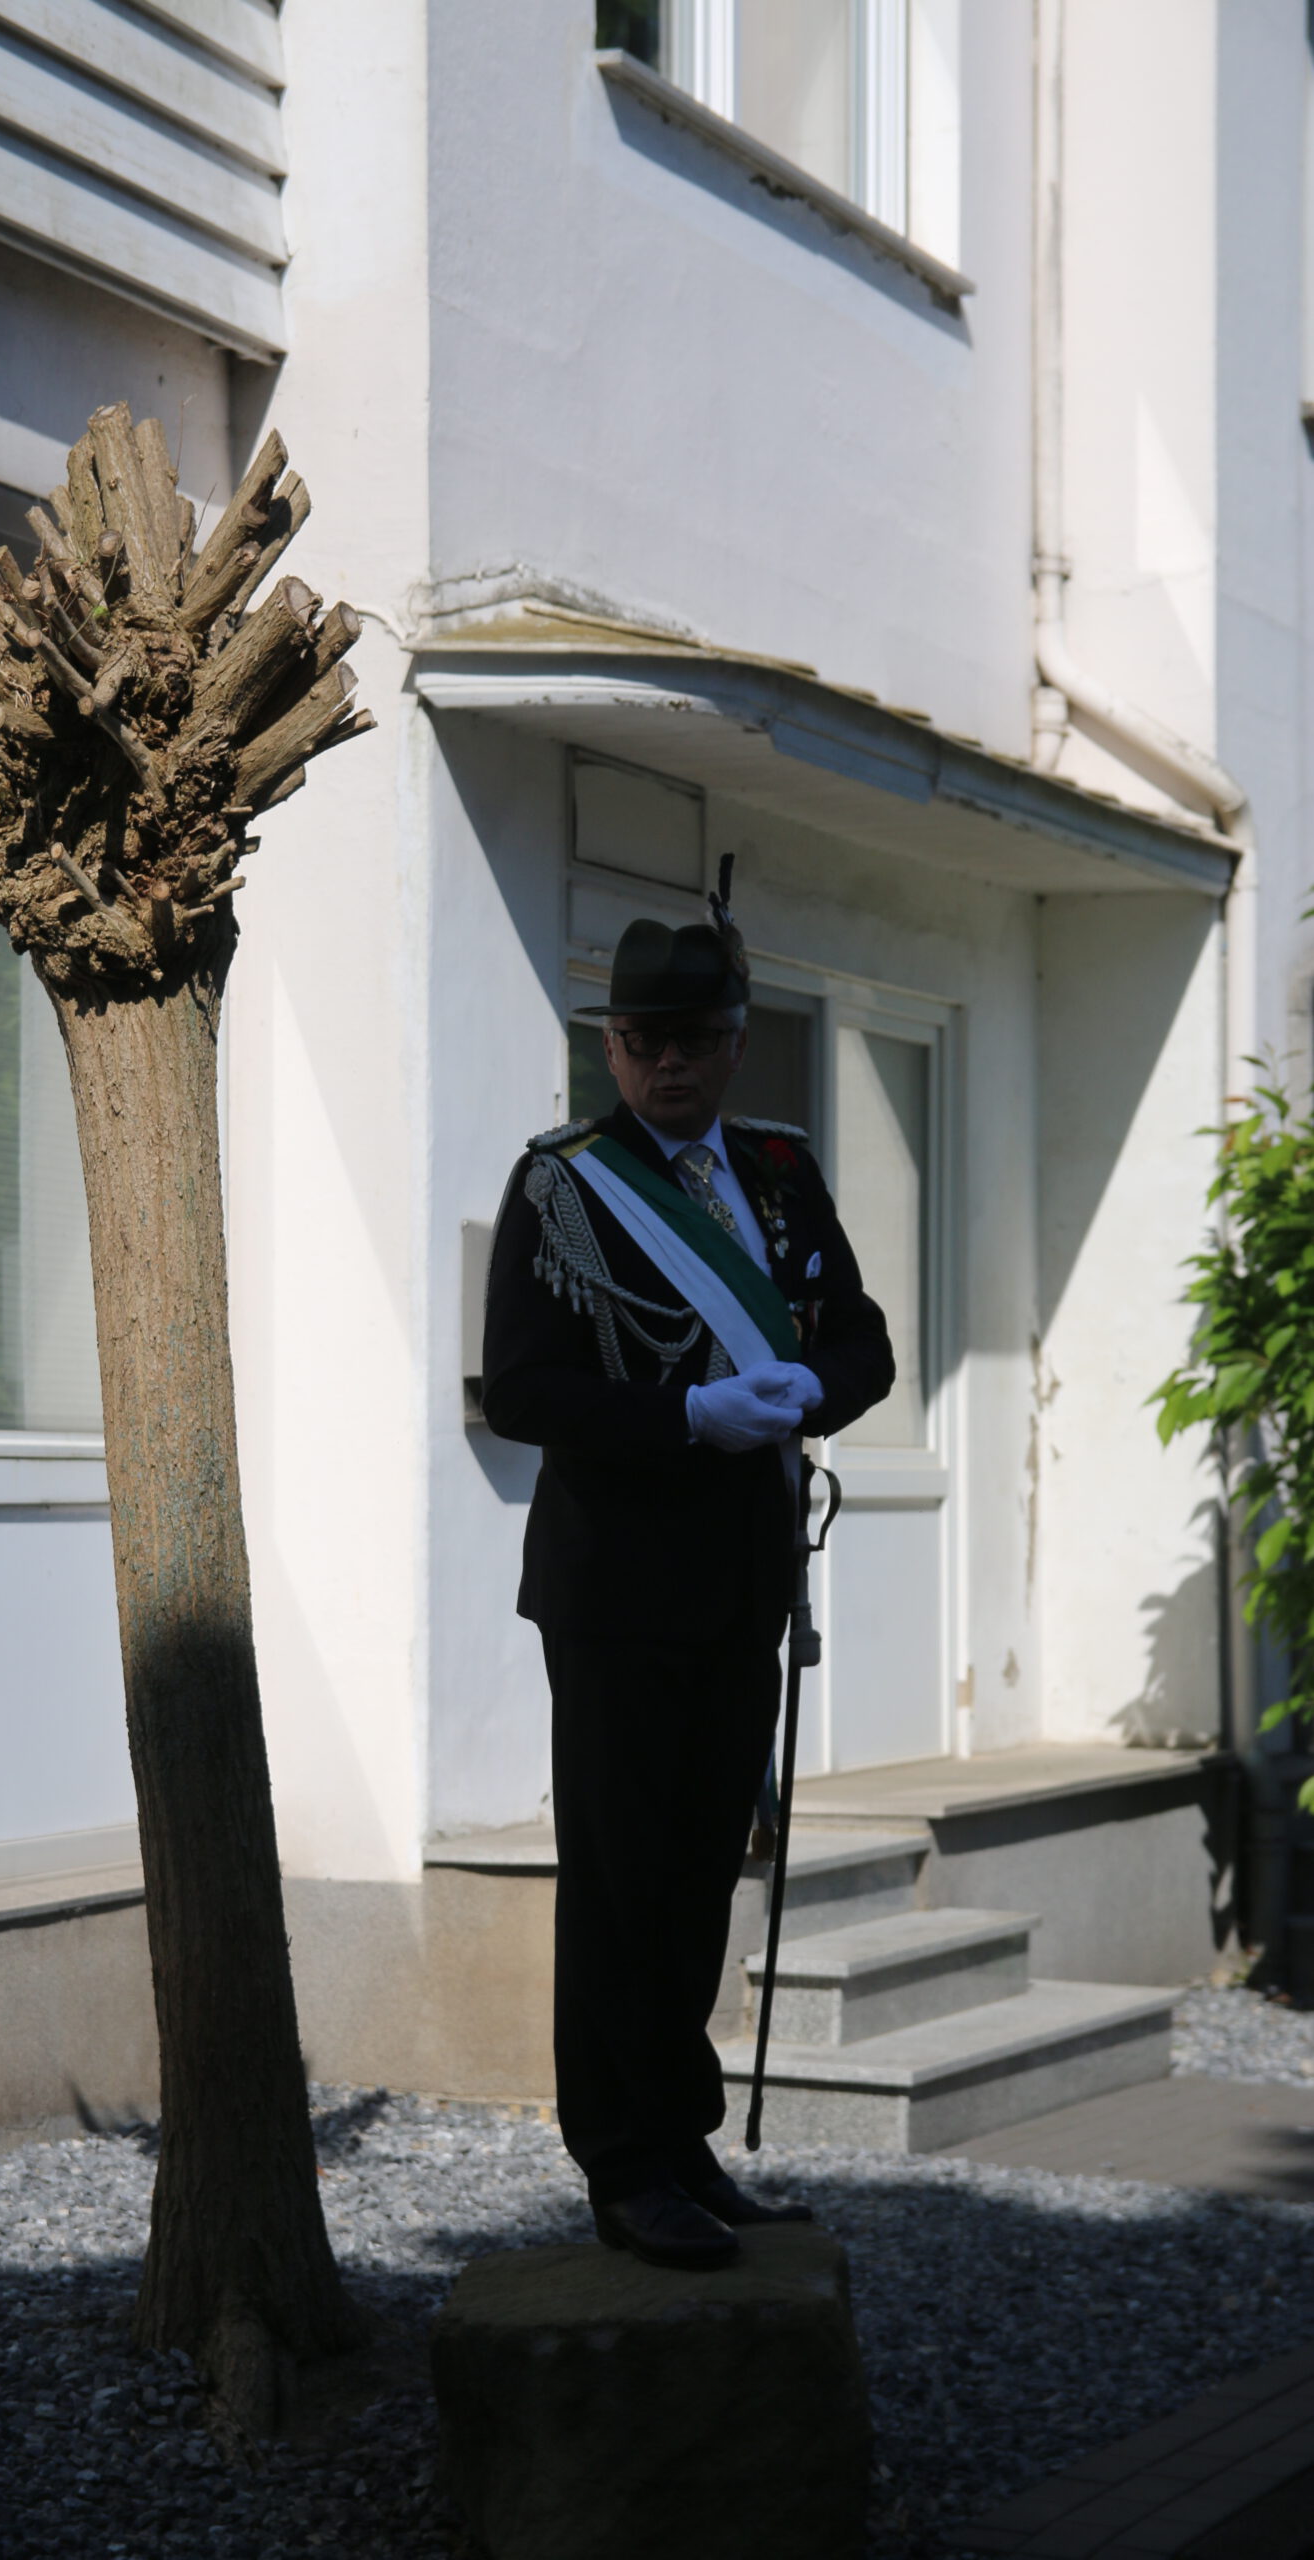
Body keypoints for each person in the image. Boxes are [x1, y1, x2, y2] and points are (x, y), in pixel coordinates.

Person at [481, 904, 895, 2270]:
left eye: (695, 1041)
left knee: (705, 1870)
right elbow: (525, 1389)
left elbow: (865, 1343)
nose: (669, 1065)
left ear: (734, 1046)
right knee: (619, 1874)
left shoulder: (776, 1172)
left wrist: (805, 1391)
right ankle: (620, 2164)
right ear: (611, 1047)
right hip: (614, 1589)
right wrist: (685, 1419)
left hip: (742, 1577)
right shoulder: (563, 1186)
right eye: (644, 1040)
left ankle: (682, 2134)